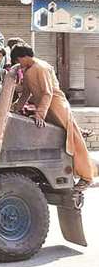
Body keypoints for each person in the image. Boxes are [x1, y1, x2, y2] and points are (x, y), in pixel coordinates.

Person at [11, 44, 96, 191]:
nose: (19, 63)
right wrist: (15, 108)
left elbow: (47, 93)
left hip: (56, 106)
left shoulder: (40, 67)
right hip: (47, 108)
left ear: (23, 57)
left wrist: (40, 114)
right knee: (61, 141)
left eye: (18, 59)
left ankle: (87, 177)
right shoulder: (29, 69)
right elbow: (26, 93)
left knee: (73, 139)